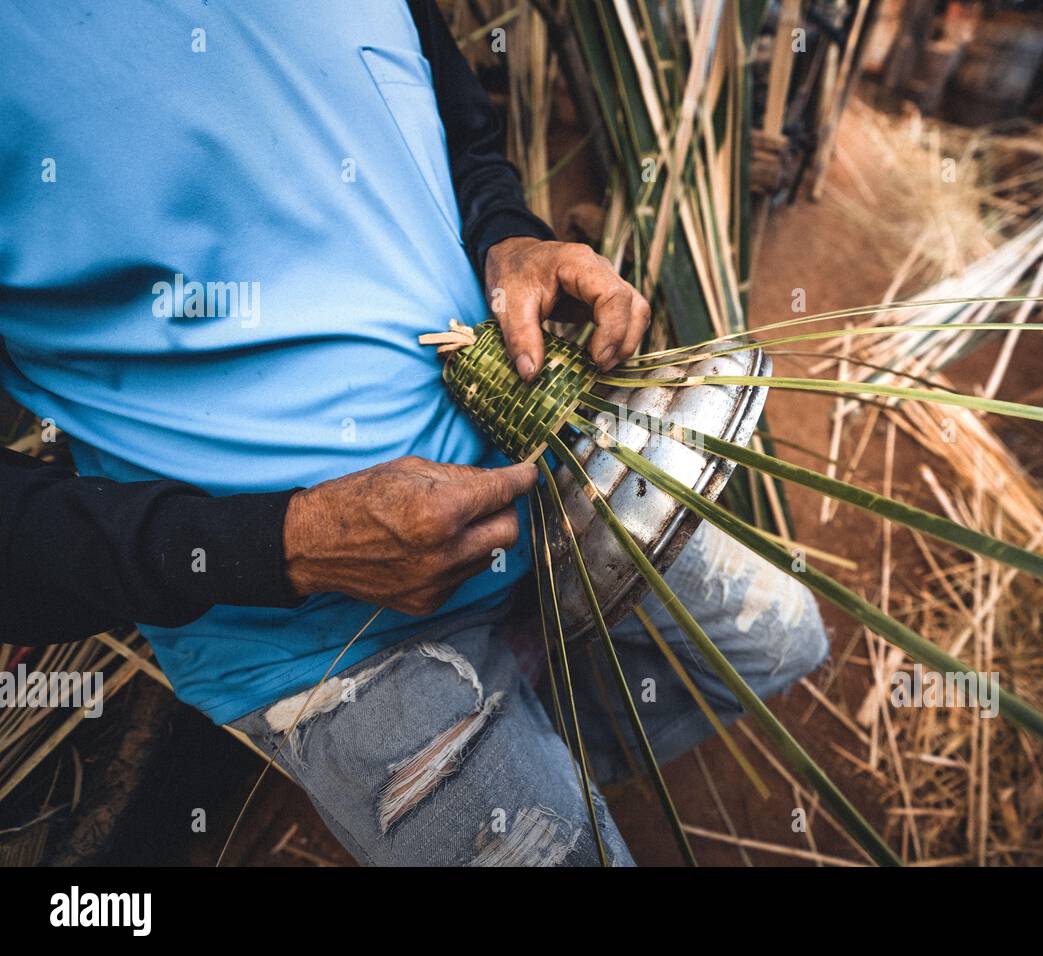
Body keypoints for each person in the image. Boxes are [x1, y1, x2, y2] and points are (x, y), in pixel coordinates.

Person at [0, 1, 828, 865]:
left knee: (782, 639)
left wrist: (508, 235)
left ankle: (542, 717)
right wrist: (290, 543)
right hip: (322, 633)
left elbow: (458, 131)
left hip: (552, 475)